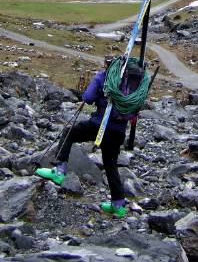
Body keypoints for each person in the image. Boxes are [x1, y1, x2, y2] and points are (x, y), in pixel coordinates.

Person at [35, 59, 135, 218]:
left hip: (99, 125)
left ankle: (59, 170)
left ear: (108, 65)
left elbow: (87, 97)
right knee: (110, 165)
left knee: (69, 132)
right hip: (118, 132)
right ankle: (118, 204)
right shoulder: (131, 84)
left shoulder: (104, 76)